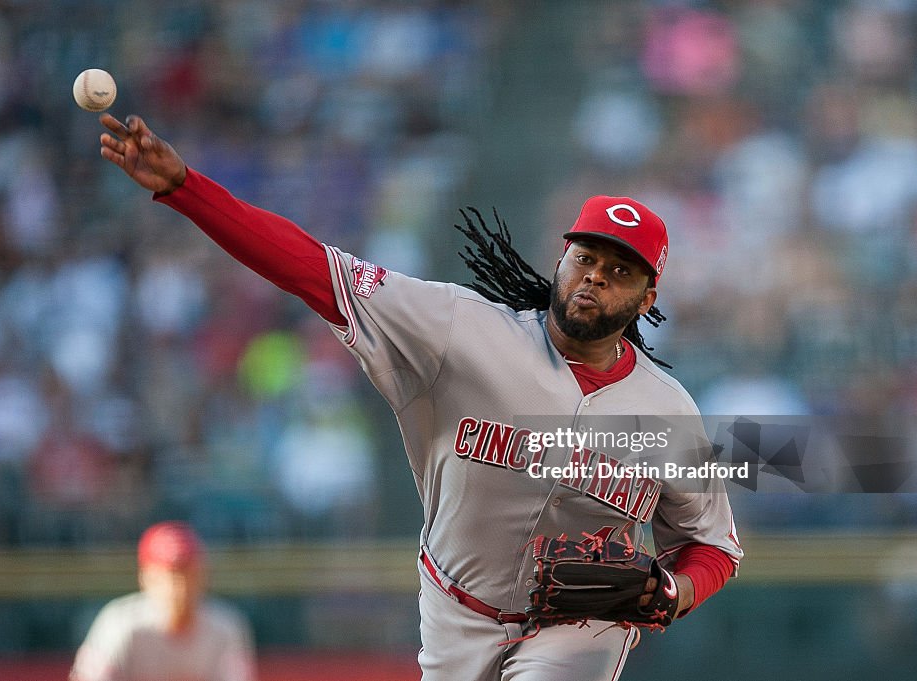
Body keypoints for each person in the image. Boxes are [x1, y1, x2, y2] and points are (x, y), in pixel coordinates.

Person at [95, 113, 743, 681]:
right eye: (586, 258)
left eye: (620, 270)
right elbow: (312, 269)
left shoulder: (666, 411)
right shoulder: (459, 327)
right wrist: (186, 190)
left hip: (582, 623)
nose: (596, 276)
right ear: (562, 257)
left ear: (647, 299)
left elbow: (714, 543)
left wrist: (675, 590)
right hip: (455, 605)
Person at [69, 521, 258, 681]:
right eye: (170, 575)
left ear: (204, 575)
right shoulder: (119, 624)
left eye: (188, 573)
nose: (181, 586)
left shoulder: (226, 625)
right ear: (146, 578)